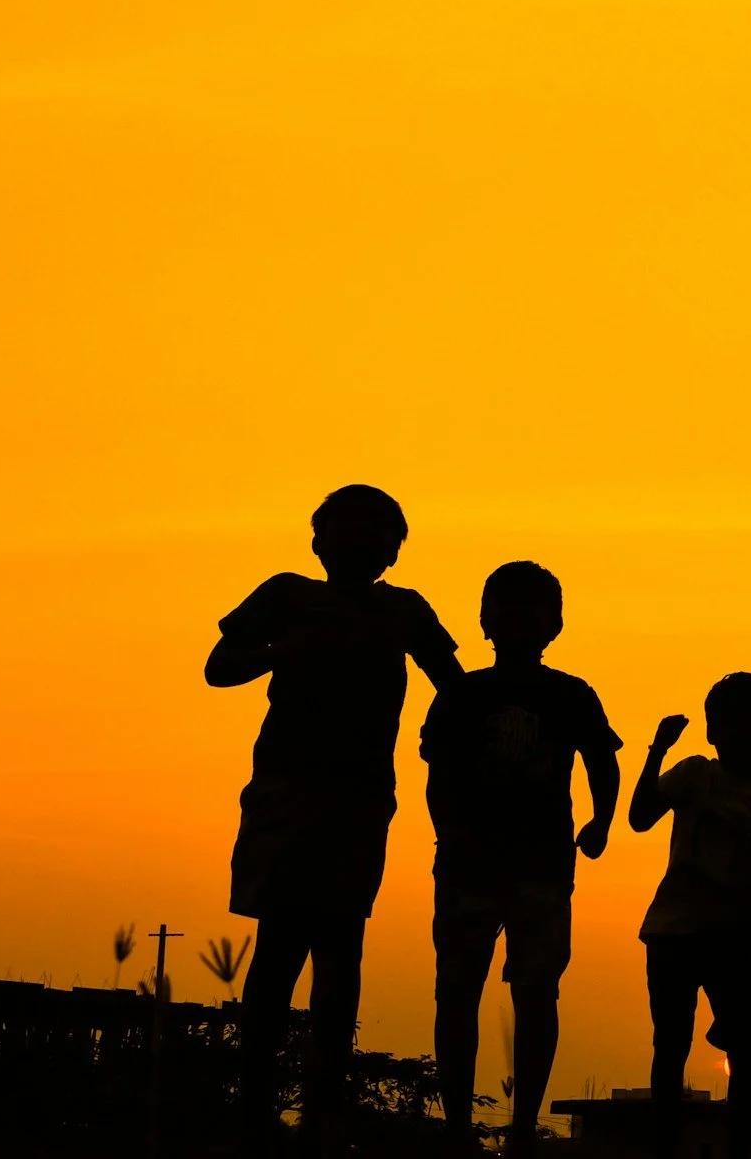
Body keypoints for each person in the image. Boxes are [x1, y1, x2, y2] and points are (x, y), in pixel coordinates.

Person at [205, 484, 464, 1153]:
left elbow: (456, 687)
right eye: (348, 530)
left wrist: (442, 734)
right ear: (319, 541)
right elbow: (218, 667)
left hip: (358, 801)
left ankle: (323, 1112)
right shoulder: (287, 595)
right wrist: (281, 653)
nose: (361, 543)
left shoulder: (404, 610)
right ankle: (257, 1109)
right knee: (279, 949)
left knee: (340, 951)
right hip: (287, 795)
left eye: (377, 533)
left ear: (394, 549)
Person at [422, 560, 622, 1156]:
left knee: (535, 993)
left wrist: (602, 821)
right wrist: (449, 834)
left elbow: (602, 760)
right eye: (505, 607)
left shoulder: (570, 694)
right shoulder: (462, 694)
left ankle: (522, 1127)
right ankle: (458, 1126)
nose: (518, 618)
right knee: (458, 992)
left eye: (533, 608)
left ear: (554, 623)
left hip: (541, 867)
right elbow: (438, 776)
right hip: (470, 865)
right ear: (484, 620)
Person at [630, 674, 751, 1159]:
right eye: (732, 727)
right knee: (676, 1047)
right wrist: (656, 751)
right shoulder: (695, 774)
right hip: (679, 932)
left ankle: (735, 1147)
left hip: (729, 936)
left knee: (742, 1052)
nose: (741, 738)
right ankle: (668, 1145)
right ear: (713, 731)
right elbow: (640, 817)